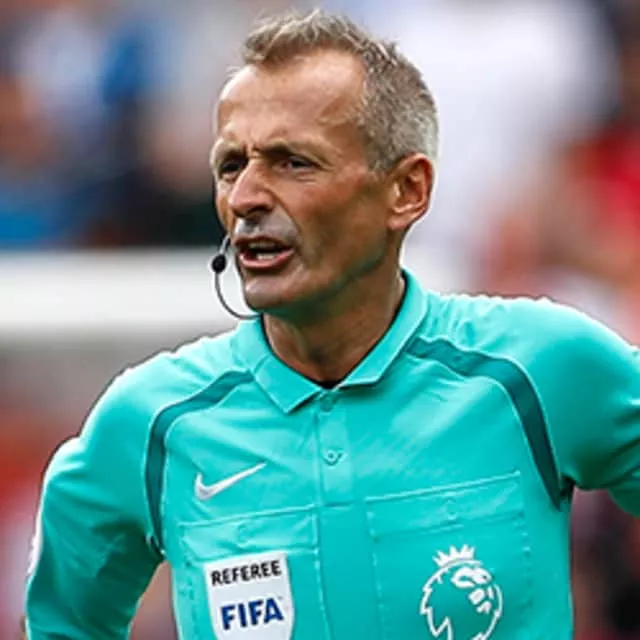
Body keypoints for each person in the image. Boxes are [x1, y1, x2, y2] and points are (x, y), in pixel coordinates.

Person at [23, 9, 640, 640]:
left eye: (293, 162)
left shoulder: (538, 371)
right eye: (231, 166)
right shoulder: (149, 424)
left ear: (407, 190)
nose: (246, 197)